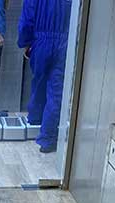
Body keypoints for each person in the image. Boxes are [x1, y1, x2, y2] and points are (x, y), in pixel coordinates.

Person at [18, 0, 72, 153]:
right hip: (63, 44)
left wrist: (25, 43)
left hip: (40, 43)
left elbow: (27, 20)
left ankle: (35, 120)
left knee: (38, 83)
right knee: (56, 93)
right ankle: (47, 139)